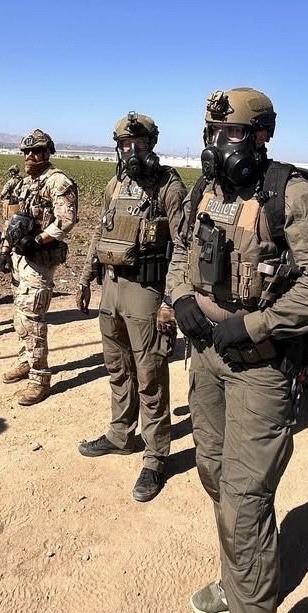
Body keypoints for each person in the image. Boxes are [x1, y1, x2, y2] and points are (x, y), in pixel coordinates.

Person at [165, 87, 308, 613]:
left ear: (262, 135)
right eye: (212, 131)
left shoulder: (293, 196)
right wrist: (182, 297)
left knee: (244, 507)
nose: (219, 144)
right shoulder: (207, 189)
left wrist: (258, 324)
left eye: (232, 132)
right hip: (207, 359)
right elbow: (182, 253)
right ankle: (240, 580)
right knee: (212, 472)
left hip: (261, 370)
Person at [76, 112, 186, 503]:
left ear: (152, 145)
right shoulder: (116, 183)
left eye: (139, 144)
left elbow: (184, 246)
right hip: (112, 287)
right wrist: (85, 279)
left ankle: (156, 457)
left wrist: (171, 300)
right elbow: (100, 231)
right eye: (125, 144)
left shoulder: (169, 186)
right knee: (117, 367)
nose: (132, 150)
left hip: (147, 291)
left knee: (150, 375)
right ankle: (121, 435)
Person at [1, 129, 78, 406]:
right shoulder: (25, 183)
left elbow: (66, 220)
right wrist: (5, 248)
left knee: (32, 317)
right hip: (20, 257)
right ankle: (26, 360)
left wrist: (37, 240)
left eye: (36, 151)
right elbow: (13, 220)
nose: (30, 156)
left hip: (40, 258)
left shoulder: (58, 181)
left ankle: (39, 378)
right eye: (26, 152)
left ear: (47, 152)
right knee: (20, 315)